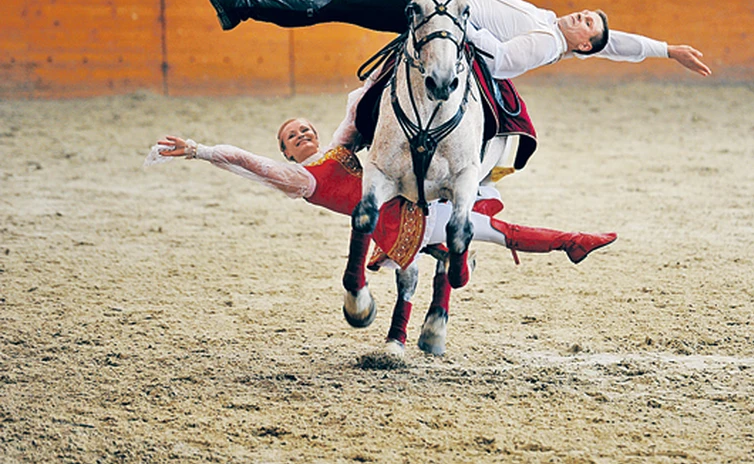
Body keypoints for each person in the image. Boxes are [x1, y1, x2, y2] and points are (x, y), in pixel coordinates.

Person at [149, 117, 616, 346]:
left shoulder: (338, 150)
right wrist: (200, 150)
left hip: (417, 203)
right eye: (293, 138)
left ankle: (566, 244)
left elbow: (356, 113)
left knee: (489, 228)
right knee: (493, 232)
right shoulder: (304, 178)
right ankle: (567, 243)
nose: (303, 135)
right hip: (399, 226)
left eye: (305, 128)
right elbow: (248, 161)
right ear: (289, 155)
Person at [195, 0, 712, 79]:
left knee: (331, 5)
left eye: (587, 26)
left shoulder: (543, 41)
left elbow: (503, 64)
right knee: (333, 4)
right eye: (588, 15)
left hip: (432, 12)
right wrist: (666, 49)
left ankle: (239, 5)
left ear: (580, 46)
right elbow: (614, 41)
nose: (584, 17)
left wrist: (455, 16)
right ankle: (240, 5)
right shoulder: (552, 22)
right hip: (436, 1)